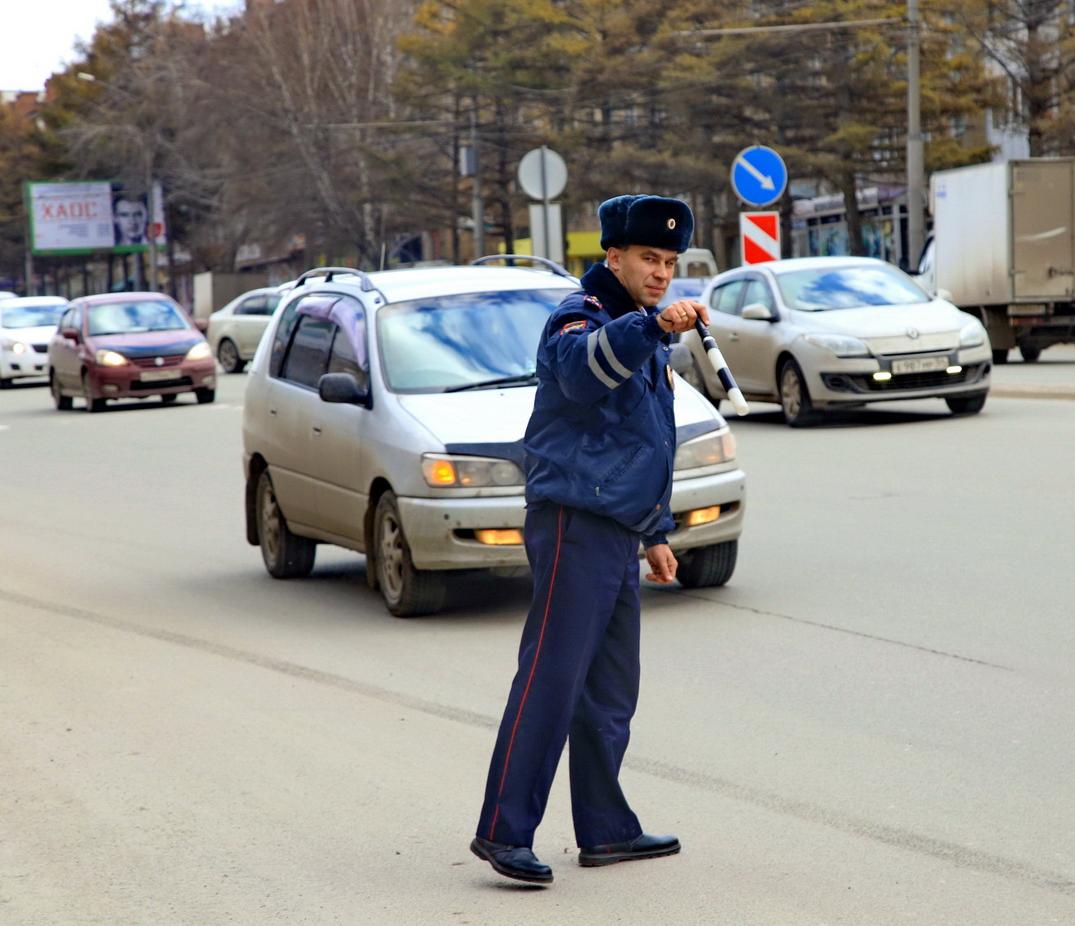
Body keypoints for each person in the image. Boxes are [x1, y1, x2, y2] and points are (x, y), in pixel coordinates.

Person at [471, 194, 710, 885]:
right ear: (613, 257)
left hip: (615, 529)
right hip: (573, 523)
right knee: (551, 679)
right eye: (647, 258)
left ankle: (605, 830)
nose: (660, 272)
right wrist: (649, 329)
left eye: (668, 262)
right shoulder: (583, 317)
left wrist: (655, 533)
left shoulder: (640, 326)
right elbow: (578, 374)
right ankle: (502, 830)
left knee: (608, 690)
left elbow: (642, 444)